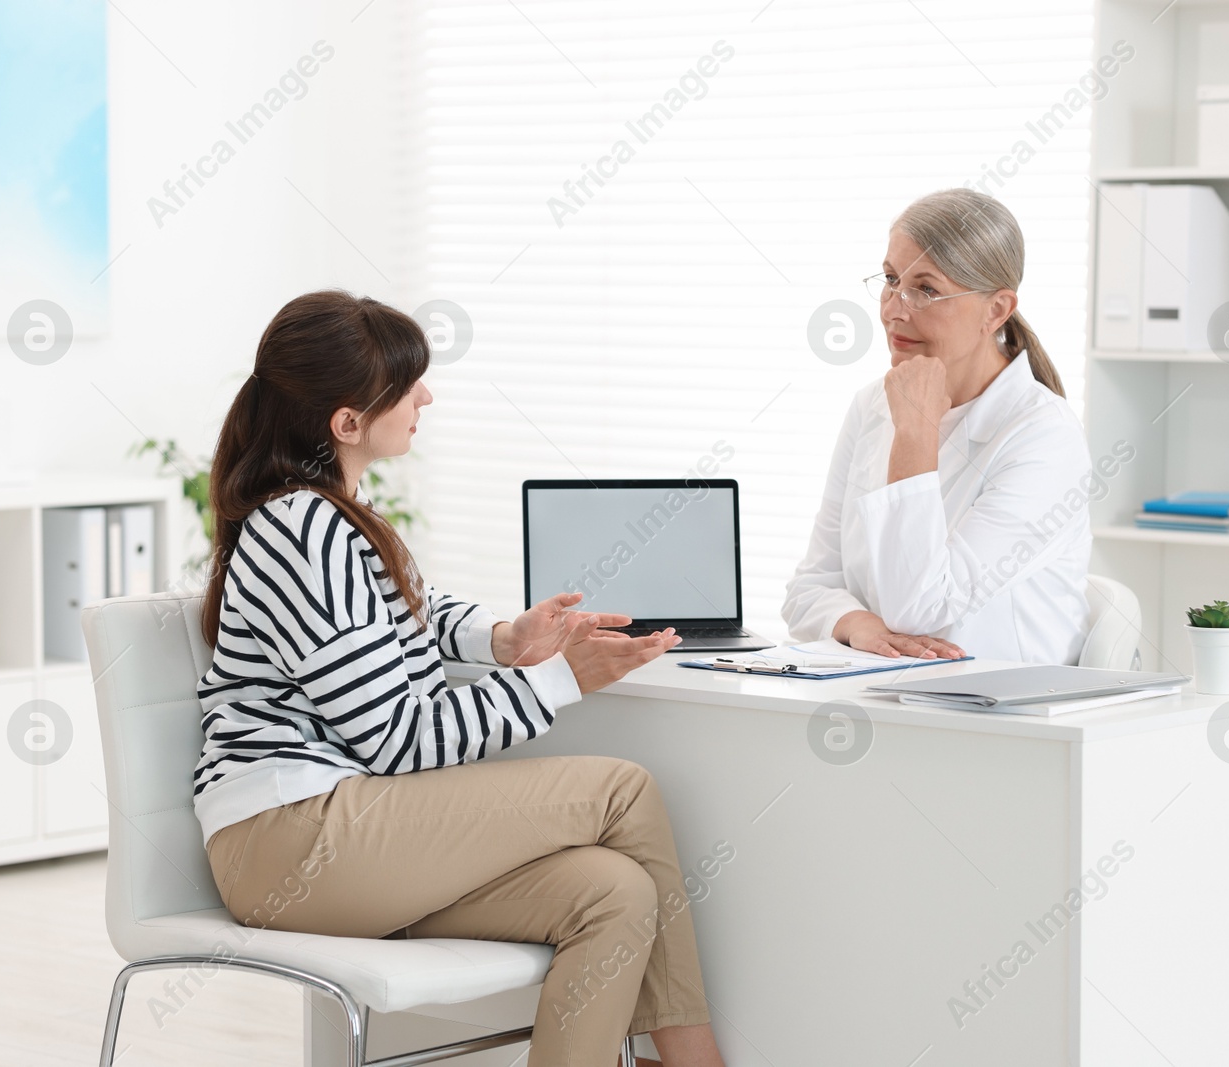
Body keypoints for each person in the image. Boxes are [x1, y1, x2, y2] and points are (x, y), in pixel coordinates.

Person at [194, 290, 726, 1067]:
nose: (426, 397)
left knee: (614, 892)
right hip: (289, 836)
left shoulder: (334, 514)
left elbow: (411, 608)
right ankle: (695, 1061)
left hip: (342, 836)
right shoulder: (302, 527)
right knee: (623, 790)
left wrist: (508, 637)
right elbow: (394, 737)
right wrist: (558, 681)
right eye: (409, 384)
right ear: (346, 422)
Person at [783, 188, 1093, 665]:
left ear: (996, 310)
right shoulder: (872, 405)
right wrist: (858, 624)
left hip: (999, 714)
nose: (893, 309)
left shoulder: (1044, 437)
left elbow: (920, 609)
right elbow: (808, 590)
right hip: (878, 695)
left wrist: (916, 433)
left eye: (926, 289)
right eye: (890, 279)